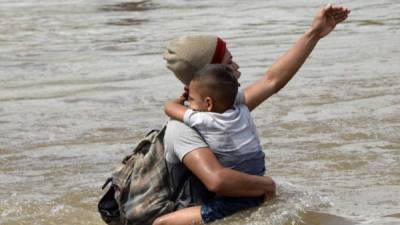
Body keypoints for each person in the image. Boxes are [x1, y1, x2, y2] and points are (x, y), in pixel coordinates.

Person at [154, 4, 350, 225]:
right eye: (229, 62)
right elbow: (217, 180)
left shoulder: (228, 107)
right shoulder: (182, 127)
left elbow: (272, 80)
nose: (237, 67)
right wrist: (268, 185)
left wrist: (314, 33)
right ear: (211, 75)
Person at [164, 64, 269, 222]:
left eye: (191, 99)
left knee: (161, 222)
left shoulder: (203, 120)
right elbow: (272, 80)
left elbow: (169, 108)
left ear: (208, 104)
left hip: (233, 199)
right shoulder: (242, 109)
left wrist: (180, 99)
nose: (189, 103)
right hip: (257, 180)